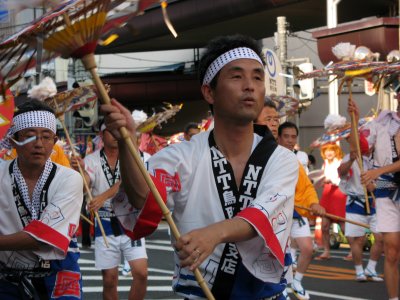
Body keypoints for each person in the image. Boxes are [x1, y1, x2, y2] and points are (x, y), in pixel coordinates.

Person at [102, 34, 298, 299]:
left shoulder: (282, 159)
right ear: (209, 92)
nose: (250, 86)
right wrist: (127, 143)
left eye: (258, 77)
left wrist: (215, 233)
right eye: (237, 76)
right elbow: (144, 200)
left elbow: (264, 216)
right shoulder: (181, 156)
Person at [0, 99, 83, 299]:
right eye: (29, 136)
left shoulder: (69, 178)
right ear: (13, 141)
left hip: (59, 270)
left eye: (46, 137)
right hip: (6, 273)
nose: (39, 144)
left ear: (54, 142)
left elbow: (45, 237)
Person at [71, 121, 148, 300]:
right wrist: (81, 171)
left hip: (131, 221)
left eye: (117, 131)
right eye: (109, 131)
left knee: (141, 273)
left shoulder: (134, 156)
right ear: (101, 135)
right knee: (109, 279)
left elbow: (127, 182)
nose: (114, 135)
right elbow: (86, 187)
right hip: (105, 223)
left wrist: (103, 196)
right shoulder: (91, 159)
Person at [349, 98, 400, 300]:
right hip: (386, 191)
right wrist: (355, 120)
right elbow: (358, 149)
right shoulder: (380, 123)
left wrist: (376, 172)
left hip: (382, 180)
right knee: (392, 250)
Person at [277, 121, 325, 300]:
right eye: (286, 136)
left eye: (293, 137)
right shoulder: (270, 157)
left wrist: (313, 204)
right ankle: (280, 288)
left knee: (307, 248)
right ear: (278, 137)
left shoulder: (296, 160)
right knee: (279, 253)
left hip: (298, 212)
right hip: (278, 215)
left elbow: (306, 188)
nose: (290, 140)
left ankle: (297, 281)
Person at [337, 133, 383, 282]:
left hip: (374, 202)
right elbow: (341, 172)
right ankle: (359, 271)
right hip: (355, 203)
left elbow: (388, 181)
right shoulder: (348, 158)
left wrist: (374, 186)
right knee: (358, 240)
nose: (370, 148)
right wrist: (351, 160)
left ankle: (371, 268)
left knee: (381, 238)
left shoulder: (378, 159)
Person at [316, 143, 347, 260]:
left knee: (343, 226)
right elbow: (320, 178)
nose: (329, 153)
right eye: (326, 151)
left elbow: (343, 179)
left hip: (339, 193)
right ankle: (326, 251)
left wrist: (331, 180)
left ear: (336, 151)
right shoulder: (325, 163)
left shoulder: (341, 162)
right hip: (327, 194)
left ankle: (353, 251)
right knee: (324, 226)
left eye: (331, 150)